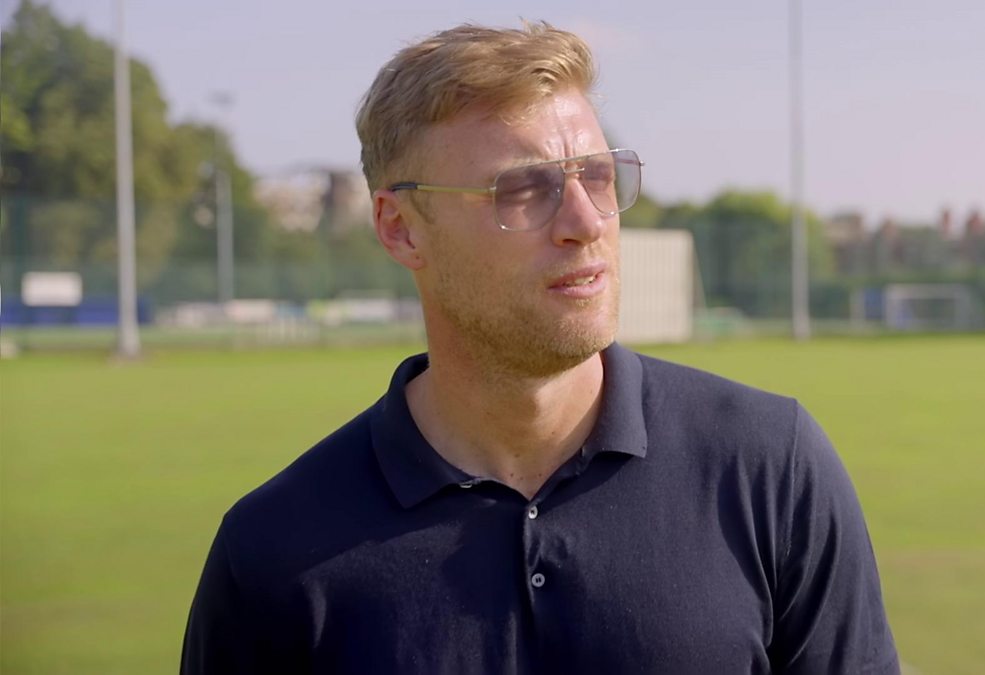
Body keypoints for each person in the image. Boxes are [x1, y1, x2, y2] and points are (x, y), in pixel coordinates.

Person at [181, 22, 899, 675]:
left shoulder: (771, 467)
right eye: (523, 189)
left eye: (595, 175)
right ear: (400, 227)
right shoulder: (274, 551)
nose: (585, 222)